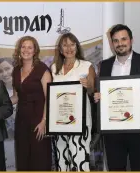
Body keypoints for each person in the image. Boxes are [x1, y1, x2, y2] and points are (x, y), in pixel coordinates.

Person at [94, 24, 140, 171]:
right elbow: (103, 94)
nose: (120, 43)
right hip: (112, 132)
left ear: (131, 40)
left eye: (123, 39)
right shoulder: (105, 65)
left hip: (139, 130)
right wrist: (98, 97)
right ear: (112, 43)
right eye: (115, 40)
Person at [50, 33, 96, 171]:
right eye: (65, 45)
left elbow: (92, 90)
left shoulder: (86, 65)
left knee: (79, 159)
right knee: (62, 160)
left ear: (77, 46)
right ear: (60, 49)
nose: (69, 48)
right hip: (59, 121)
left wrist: (88, 84)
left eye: (72, 44)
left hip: (80, 121)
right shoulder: (54, 68)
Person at [11, 36, 52, 171]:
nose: (26, 50)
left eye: (30, 47)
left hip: (38, 122)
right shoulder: (16, 70)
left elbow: (49, 97)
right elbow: (16, 97)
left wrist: (44, 121)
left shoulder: (43, 70)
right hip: (21, 121)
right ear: (19, 49)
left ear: (35, 51)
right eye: (23, 47)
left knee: (39, 160)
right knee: (23, 159)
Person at [0, 57, 16, 170]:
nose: (4, 73)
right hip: (4, 143)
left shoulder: (24, 89)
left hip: (23, 140)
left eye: (7, 69)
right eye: (0, 71)